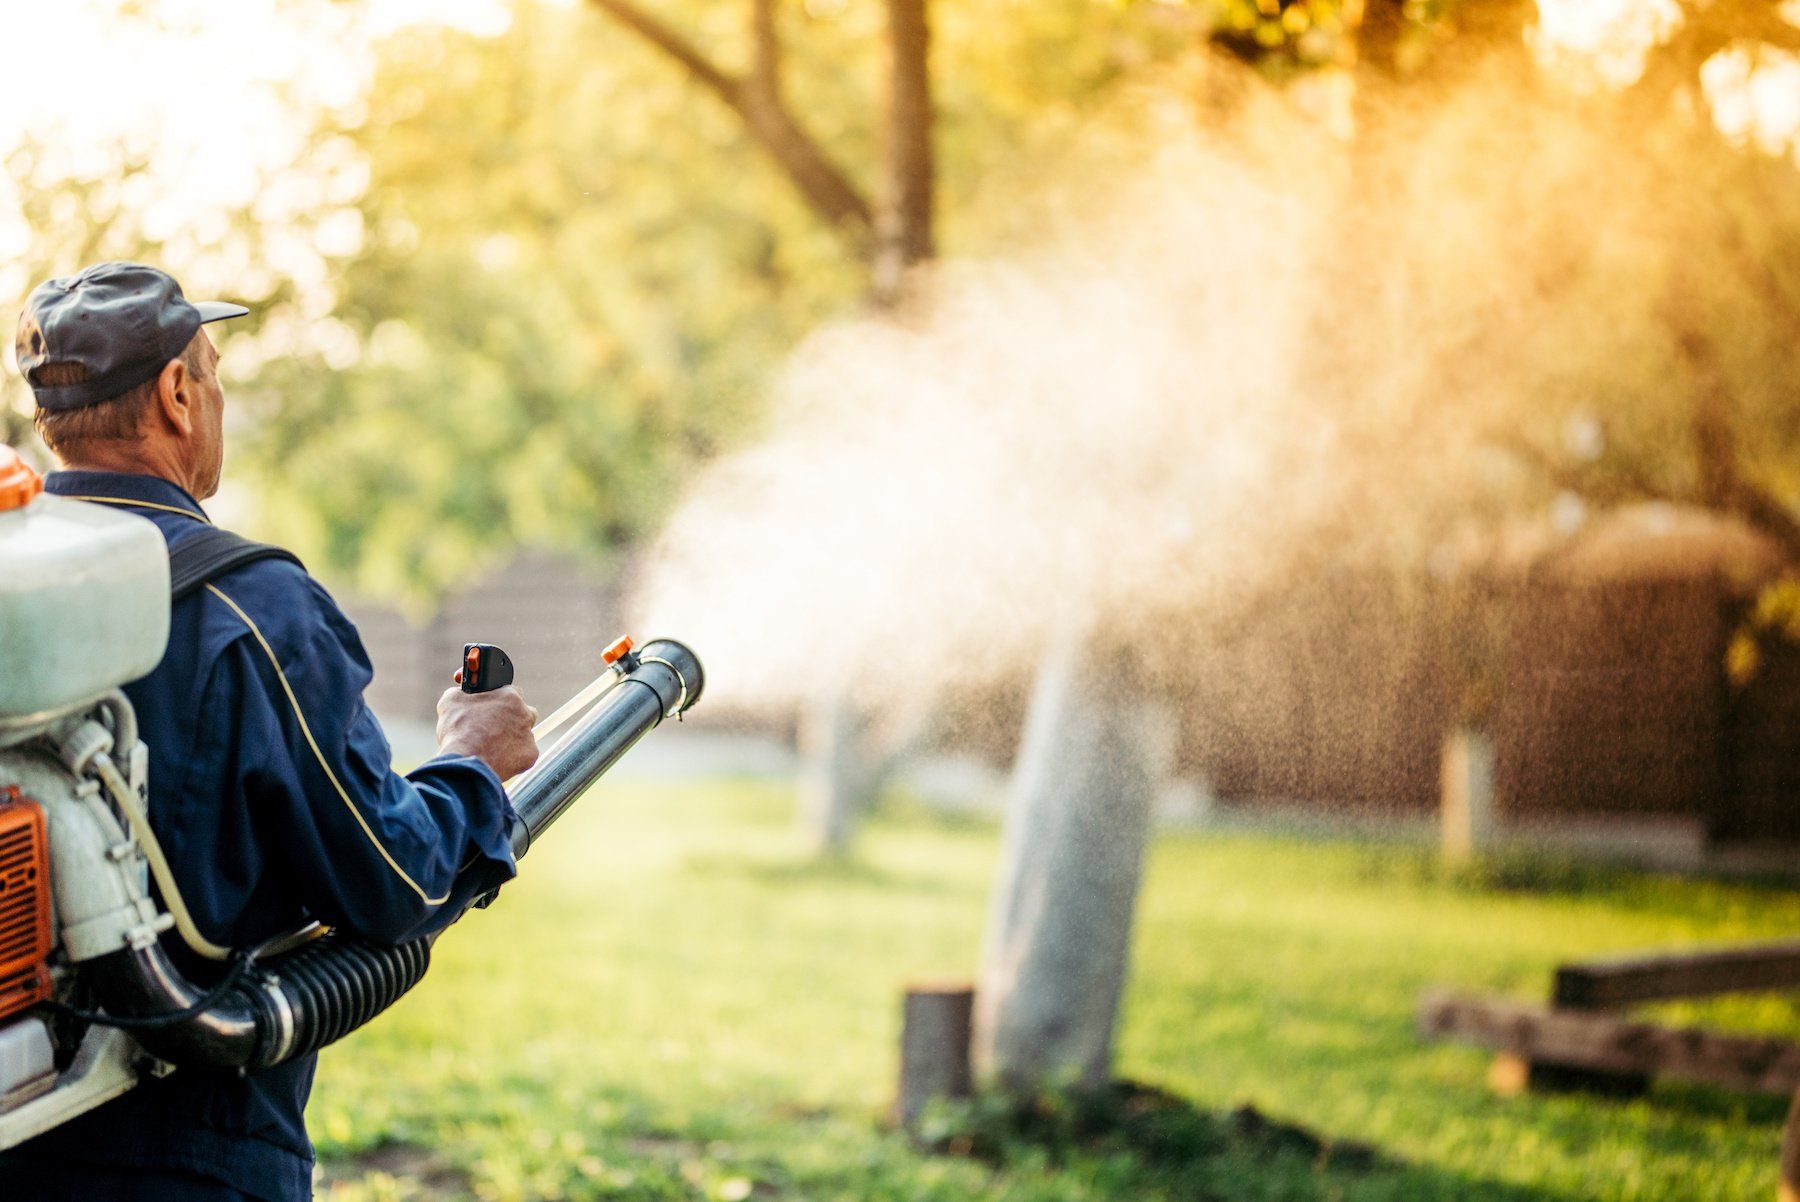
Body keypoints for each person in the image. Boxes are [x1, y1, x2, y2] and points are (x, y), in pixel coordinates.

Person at [0, 262, 540, 1201]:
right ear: (178, 393)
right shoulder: (248, 607)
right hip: (188, 1153)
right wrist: (472, 761)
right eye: (211, 371)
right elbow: (394, 877)